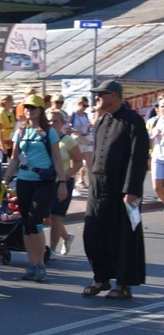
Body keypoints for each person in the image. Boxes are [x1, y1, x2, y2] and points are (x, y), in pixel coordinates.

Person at [82, 80, 148, 299]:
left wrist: (132, 190)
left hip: (123, 188)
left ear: (114, 96)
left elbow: (137, 158)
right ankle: (100, 278)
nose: (97, 98)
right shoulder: (102, 120)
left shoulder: (133, 121)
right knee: (93, 233)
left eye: (101, 94)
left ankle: (123, 284)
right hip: (99, 187)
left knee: (123, 237)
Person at [3, 94, 67, 283]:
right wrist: (6, 179)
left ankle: (40, 265)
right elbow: (15, 157)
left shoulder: (49, 132)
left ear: (40, 110)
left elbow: (57, 158)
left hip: (43, 181)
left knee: (35, 219)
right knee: (26, 223)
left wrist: (62, 182)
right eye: (27, 107)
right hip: (24, 180)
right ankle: (31, 264)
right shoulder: (20, 131)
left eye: (33, 107)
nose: (29, 110)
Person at [46, 109, 84, 259]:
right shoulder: (44, 139)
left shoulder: (68, 141)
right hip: (46, 182)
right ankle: (67, 237)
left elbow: (79, 162)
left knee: (56, 216)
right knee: (47, 217)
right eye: (49, 120)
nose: (51, 123)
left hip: (63, 183)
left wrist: (65, 175)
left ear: (62, 123)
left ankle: (52, 250)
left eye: (55, 121)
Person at [68, 96, 94, 189]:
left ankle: (92, 187)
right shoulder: (73, 115)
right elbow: (66, 127)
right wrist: (75, 131)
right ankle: (73, 186)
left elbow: (90, 124)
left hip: (86, 140)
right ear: (79, 104)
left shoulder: (86, 115)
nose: (85, 107)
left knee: (90, 163)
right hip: (76, 140)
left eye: (87, 106)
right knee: (75, 164)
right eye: (84, 105)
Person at [149, 97, 164, 203]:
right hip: (157, 157)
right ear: (158, 108)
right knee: (157, 187)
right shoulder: (155, 121)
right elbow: (150, 137)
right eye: (162, 106)